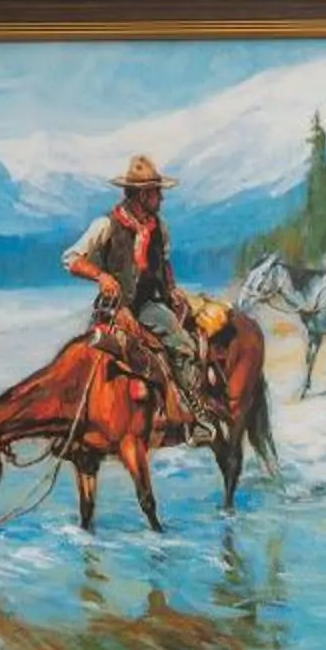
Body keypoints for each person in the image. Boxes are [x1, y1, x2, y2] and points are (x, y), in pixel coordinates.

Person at [63, 155, 223, 444]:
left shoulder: (159, 227)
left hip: (148, 304)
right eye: (156, 192)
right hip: (114, 307)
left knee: (182, 345)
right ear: (141, 195)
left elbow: (164, 263)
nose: (161, 198)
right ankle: (76, 423)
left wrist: (172, 289)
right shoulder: (106, 225)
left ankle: (198, 416)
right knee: (87, 355)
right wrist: (101, 276)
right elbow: (71, 259)